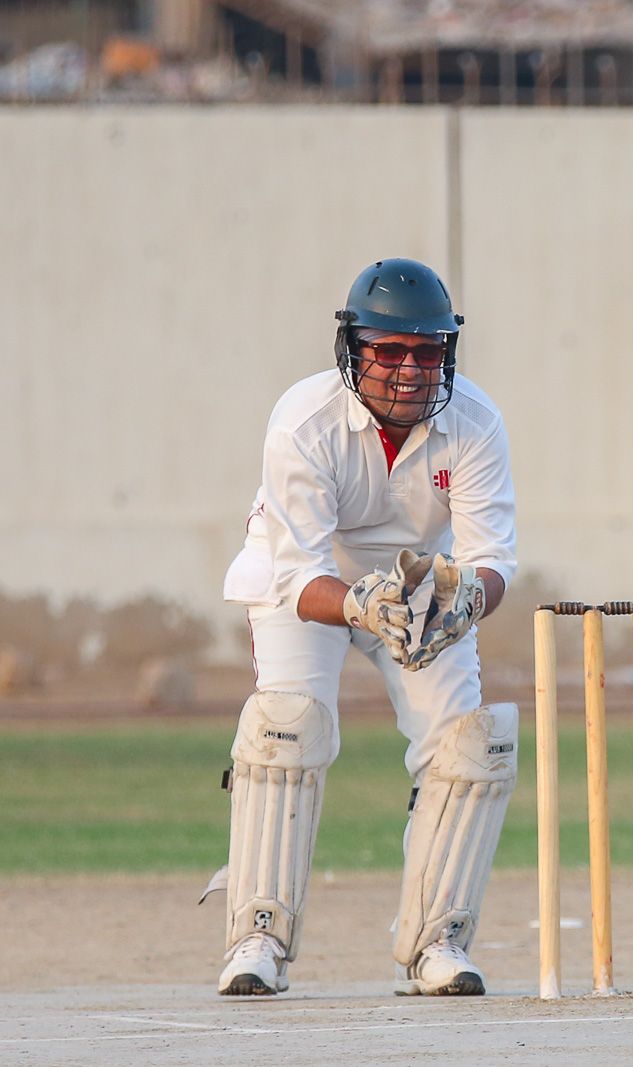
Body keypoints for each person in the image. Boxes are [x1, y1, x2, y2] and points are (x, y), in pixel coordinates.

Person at [204, 258, 519, 997]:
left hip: (418, 582)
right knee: (288, 726)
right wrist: (359, 605)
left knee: (466, 744)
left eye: (427, 352)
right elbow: (299, 576)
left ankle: (436, 941)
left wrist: (466, 601)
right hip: (308, 584)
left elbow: (493, 559)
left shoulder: (475, 422)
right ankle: (258, 935)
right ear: (353, 348)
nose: (409, 371)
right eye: (390, 350)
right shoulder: (304, 420)